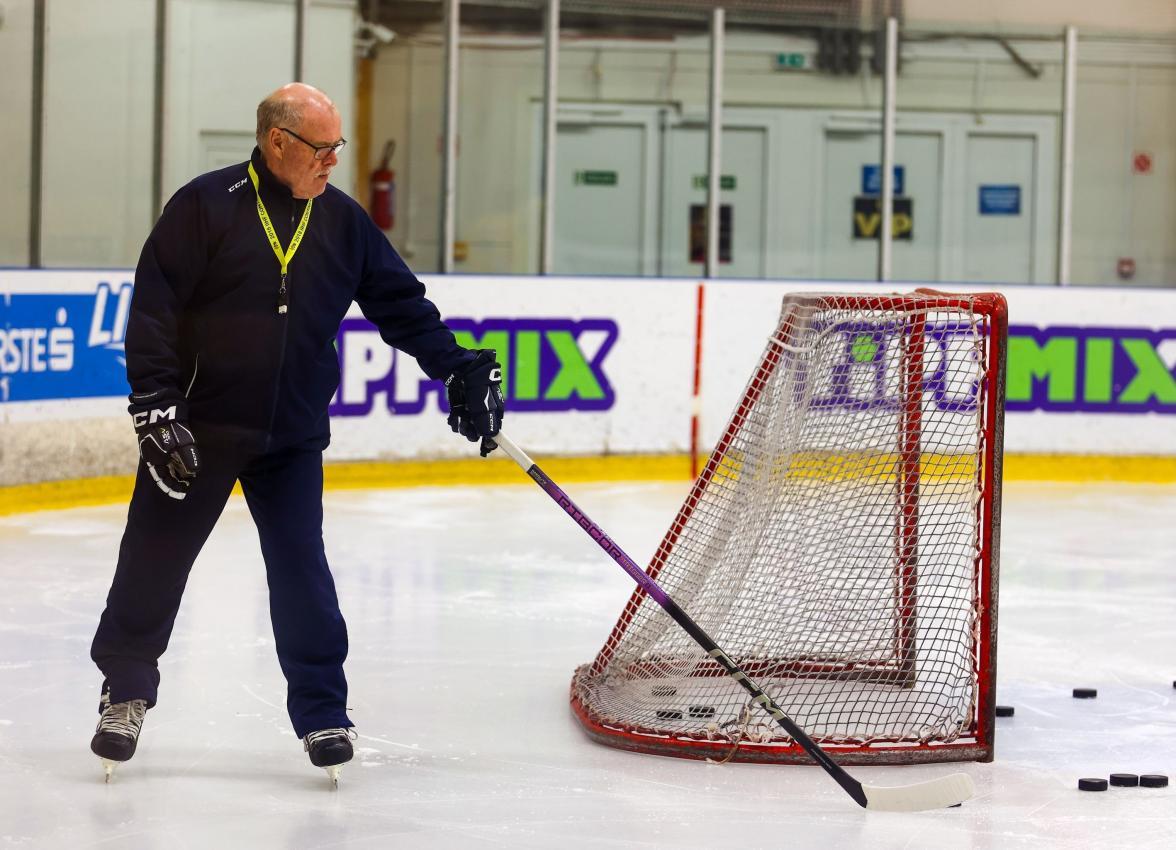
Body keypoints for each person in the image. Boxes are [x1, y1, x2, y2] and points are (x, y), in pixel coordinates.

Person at [89, 83, 504, 785]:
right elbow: (154, 310)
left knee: (301, 573)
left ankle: (322, 714)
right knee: (154, 560)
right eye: (322, 148)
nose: (334, 161)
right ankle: (125, 691)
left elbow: (401, 307)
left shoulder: (341, 222)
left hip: (292, 435)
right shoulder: (204, 206)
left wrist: (456, 366)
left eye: (340, 147)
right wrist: (157, 409)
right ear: (277, 142)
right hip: (198, 430)